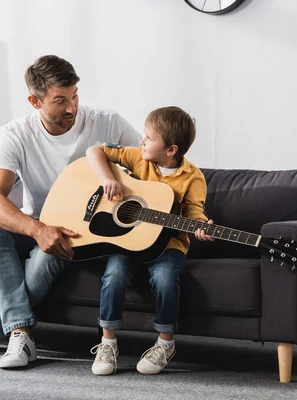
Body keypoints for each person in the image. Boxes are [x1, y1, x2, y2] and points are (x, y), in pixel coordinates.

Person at [0, 55, 142, 368]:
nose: (72, 108)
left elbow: (149, 169)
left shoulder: (106, 122)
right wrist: (36, 230)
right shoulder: (15, 134)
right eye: (60, 100)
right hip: (40, 224)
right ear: (35, 101)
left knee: (55, 247)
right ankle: (19, 331)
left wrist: (115, 186)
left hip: (86, 232)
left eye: (75, 96)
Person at [84, 106, 214, 376]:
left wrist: (200, 227)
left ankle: (165, 343)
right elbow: (94, 151)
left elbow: (194, 213)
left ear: (171, 150)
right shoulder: (139, 158)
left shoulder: (194, 177)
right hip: (128, 242)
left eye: (149, 138)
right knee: (114, 275)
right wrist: (108, 179)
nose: (141, 141)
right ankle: (108, 342)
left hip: (168, 247)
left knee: (166, 279)